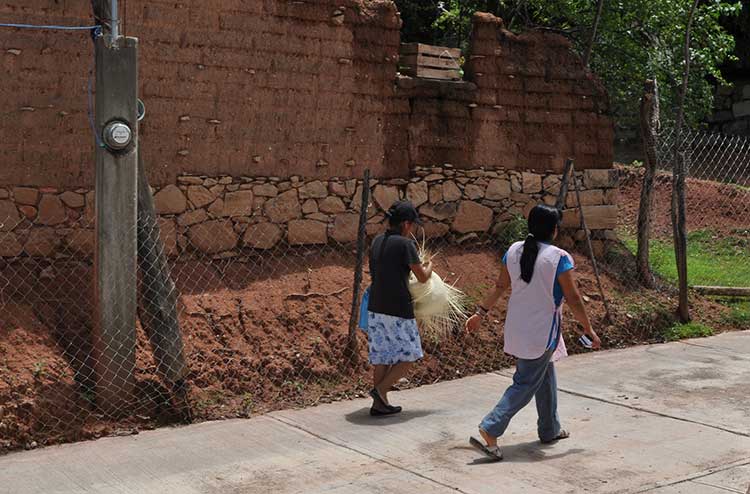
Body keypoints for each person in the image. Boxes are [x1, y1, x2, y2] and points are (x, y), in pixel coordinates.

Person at [465, 204, 601, 460]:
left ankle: (549, 429)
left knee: (545, 373)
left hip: (518, 327)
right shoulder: (559, 257)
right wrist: (588, 328)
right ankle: (491, 428)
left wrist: (480, 313)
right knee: (526, 382)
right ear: (554, 230)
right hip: (541, 331)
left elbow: (499, 286)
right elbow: (572, 297)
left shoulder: (513, 250)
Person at [366, 200, 432, 416]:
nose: (412, 229)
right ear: (405, 224)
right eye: (412, 225)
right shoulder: (406, 245)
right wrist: (429, 267)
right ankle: (380, 391)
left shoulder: (376, 242)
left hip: (376, 307)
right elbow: (422, 277)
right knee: (410, 354)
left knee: (382, 356)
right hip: (398, 308)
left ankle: (379, 405)